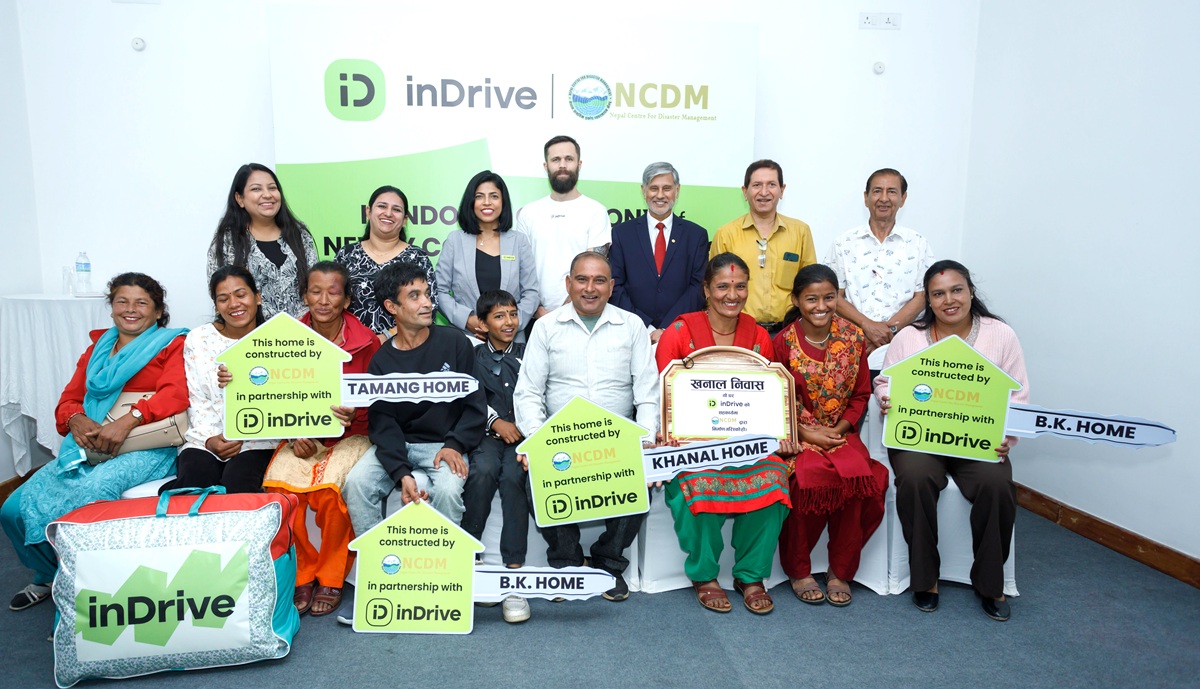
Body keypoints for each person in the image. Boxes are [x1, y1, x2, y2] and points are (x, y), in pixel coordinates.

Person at [2, 273, 187, 611]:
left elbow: (175, 394)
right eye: (122, 301)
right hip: (89, 444)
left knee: (90, 496)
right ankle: (49, 575)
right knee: (12, 509)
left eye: (141, 303)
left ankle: (88, 598)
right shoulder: (97, 349)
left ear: (158, 311)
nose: (130, 309)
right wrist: (76, 419)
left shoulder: (172, 344)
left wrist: (128, 421)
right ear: (111, 307)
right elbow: (70, 399)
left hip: (148, 445)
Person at [875, 260, 1028, 622]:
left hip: (977, 441)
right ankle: (925, 579)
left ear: (971, 291)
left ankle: (990, 583)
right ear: (928, 300)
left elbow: (1017, 395)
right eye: (938, 294)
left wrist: (1006, 437)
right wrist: (887, 399)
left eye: (956, 290)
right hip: (919, 440)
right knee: (915, 479)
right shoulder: (909, 337)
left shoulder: (1001, 334)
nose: (949, 300)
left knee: (997, 486)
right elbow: (885, 381)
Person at [513, 251, 658, 601]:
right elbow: (528, 391)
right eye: (582, 279)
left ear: (611, 286)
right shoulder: (546, 327)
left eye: (599, 281)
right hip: (560, 439)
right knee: (535, 480)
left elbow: (647, 391)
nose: (590, 288)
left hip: (617, 438)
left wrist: (646, 441)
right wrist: (537, 441)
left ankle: (608, 562)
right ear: (568, 284)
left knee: (641, 480)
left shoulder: (632, 326)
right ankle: (567, 563)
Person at [654, 253, 792, 615]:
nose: (732, 294)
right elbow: (662, 393)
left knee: (775, 479)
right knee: (695, 484)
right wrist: (669, 432)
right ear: (706, 289)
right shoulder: (679, 333)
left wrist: (780, 431)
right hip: (693, 445)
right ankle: (705, 575)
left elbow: (770, 394)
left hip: (746, 445)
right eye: (723, 286)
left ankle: (750, 575)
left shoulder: (758, 336)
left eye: (740, 286)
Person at [260, 262, 380, 617]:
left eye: (333, 292)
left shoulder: (367, 342)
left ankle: (331, 577)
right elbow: (269, 392)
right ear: (304, 296)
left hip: (351, 435)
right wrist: (292, 429)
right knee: (280, 492)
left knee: (330, 494)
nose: (324, 300)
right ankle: (303, 573)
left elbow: (378, 399)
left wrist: (356, 412)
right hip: (301, 435)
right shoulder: (285, 339)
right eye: (315, 291)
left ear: (347, 300)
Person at [772, 264, 889, 607]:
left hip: (841, 432)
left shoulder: (853, 338)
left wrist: (838, 430)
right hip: (797, 434)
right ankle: (799, 569)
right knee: (807, 479)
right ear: (796, 300)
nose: (820, 306)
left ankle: (840, 570)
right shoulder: (782, 343)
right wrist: (808, 433)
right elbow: (774, 399)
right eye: (811, 299)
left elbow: (861, 394)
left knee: (862, 481)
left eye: (828, 297)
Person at [341, 261, 486, 536]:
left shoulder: (455, 342)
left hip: (442, 444)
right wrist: (401, 472)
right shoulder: (381, 360)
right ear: (391, 307)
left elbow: (474, 406)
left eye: (427, 294)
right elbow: (383, 423)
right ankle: (376, 557)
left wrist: (455, 444)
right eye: (414, 296)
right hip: (399, 443)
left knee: (448, 491)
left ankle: (445, 559)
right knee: (356, 485)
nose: (427, 303)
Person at [168, 266, 276, 494]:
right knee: (193, 482)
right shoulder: (199, 339)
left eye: (241, 294)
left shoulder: (277, 338)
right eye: (224, 299)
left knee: (238, 484)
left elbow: (287, 394)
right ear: (216, 306)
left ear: (257, 297)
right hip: (208, 437)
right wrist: (210, 440)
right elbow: (197, 399)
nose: (234, 304)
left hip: (260, 439)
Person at [461, 290, 531, 623]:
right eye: (499, 316)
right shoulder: (472, 356)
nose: (509, 322)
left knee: (514, 477)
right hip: (486, 434)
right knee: (482, 472)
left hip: (524, 435)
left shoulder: (530, 352)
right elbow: (470, 397)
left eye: (513, 314)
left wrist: (523, 426)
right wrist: (495, 422)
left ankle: (514, 573)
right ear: (483, 323)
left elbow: (539, 392)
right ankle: (471, 559)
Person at [826, 168, 935, 376]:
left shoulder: (918, 243)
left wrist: (887, 332)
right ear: (866, 198)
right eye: (877, 191)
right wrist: (867, 327)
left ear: (903, 198)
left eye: (892, 192)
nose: (884, 198)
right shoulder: (844, 243)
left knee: (897, 396)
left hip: (904, 345)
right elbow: (832, 295)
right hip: (850, 343)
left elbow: (922, 297)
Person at [515, 135, 611, 332]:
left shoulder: (596, 211)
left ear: (579, 164)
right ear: (546, 166)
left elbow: (594, 268)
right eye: (555, 159)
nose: (562, 165)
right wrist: (536, 310)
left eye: (569, 159)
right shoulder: (528, 213)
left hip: (582, 316)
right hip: (535, 317)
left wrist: (565, 310)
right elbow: (521, 268)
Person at [709, 160, 817, 334]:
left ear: (782, 190)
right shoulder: (726, 234)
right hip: (739, 331)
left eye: (771, 185)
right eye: (757, 185)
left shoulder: (800, 232)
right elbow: (714, 288)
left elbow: (811, 285)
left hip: (789, 332)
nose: (764, 192)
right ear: (745, 191)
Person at [610, 162, 709, 344]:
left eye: (667, 188)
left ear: (677, 191)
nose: (660, 195)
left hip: (680, 333)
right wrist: (645, 326)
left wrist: (666, 328)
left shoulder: (696, 236)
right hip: (631, 332)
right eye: (654, 188)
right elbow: (615, 285)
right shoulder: (622, 234)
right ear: (643, 191)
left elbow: (698, 287)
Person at [436, 171, 540, 342]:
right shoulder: (455, 240)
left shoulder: (519, 241)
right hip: (466, 338)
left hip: (511, 341)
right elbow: (439, 290)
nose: (487, 202)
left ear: (503, 202)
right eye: (479, 196)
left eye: (494, 196)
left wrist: (509, 324)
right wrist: (466, 320)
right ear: (471, 202)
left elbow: (531, 292)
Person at [207, 163, 317, 319]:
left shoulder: (299, 234)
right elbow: (221, 292)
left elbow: (315, 286)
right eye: (256, 189)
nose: (267, 195)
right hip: (251, 330)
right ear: (239, 198)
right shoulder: (228, 240)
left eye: (272, 188)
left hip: (302, 328)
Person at [335, 185, 438, 336]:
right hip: (352, 344)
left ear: (404, 220)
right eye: (382, 206)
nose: (388, 213)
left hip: (404, 345)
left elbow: (430, 309)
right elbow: (333, 302)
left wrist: (387, 336)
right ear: (368, 211)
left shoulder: (417, 257)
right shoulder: (347, 255)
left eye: (396, 209)